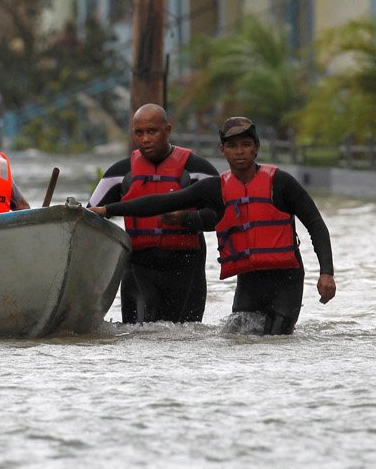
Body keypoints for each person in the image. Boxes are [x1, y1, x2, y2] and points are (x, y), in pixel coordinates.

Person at [89, 116, 337, 335]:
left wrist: (326, 273)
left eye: (246, 145)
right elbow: (159, 203)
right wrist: (107, 210)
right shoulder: (215, 188)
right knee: (237, 339)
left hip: (286, 282)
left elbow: (315, 224)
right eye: (232, 146)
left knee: (277, 340)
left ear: (256, 149)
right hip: (249, 283)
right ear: (223, 151)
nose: (239, 152)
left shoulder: (281, 183)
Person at [87, 104, 219, 324]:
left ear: (167, 130)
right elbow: (90, 218)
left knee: (184, 338)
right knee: (139, 336)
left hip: (186, 269)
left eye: (152, 131)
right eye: (139, 133)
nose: (146, 139)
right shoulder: (119, 173)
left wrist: (186, 219)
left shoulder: (199, 170)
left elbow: (222, 217)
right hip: (139, 269)